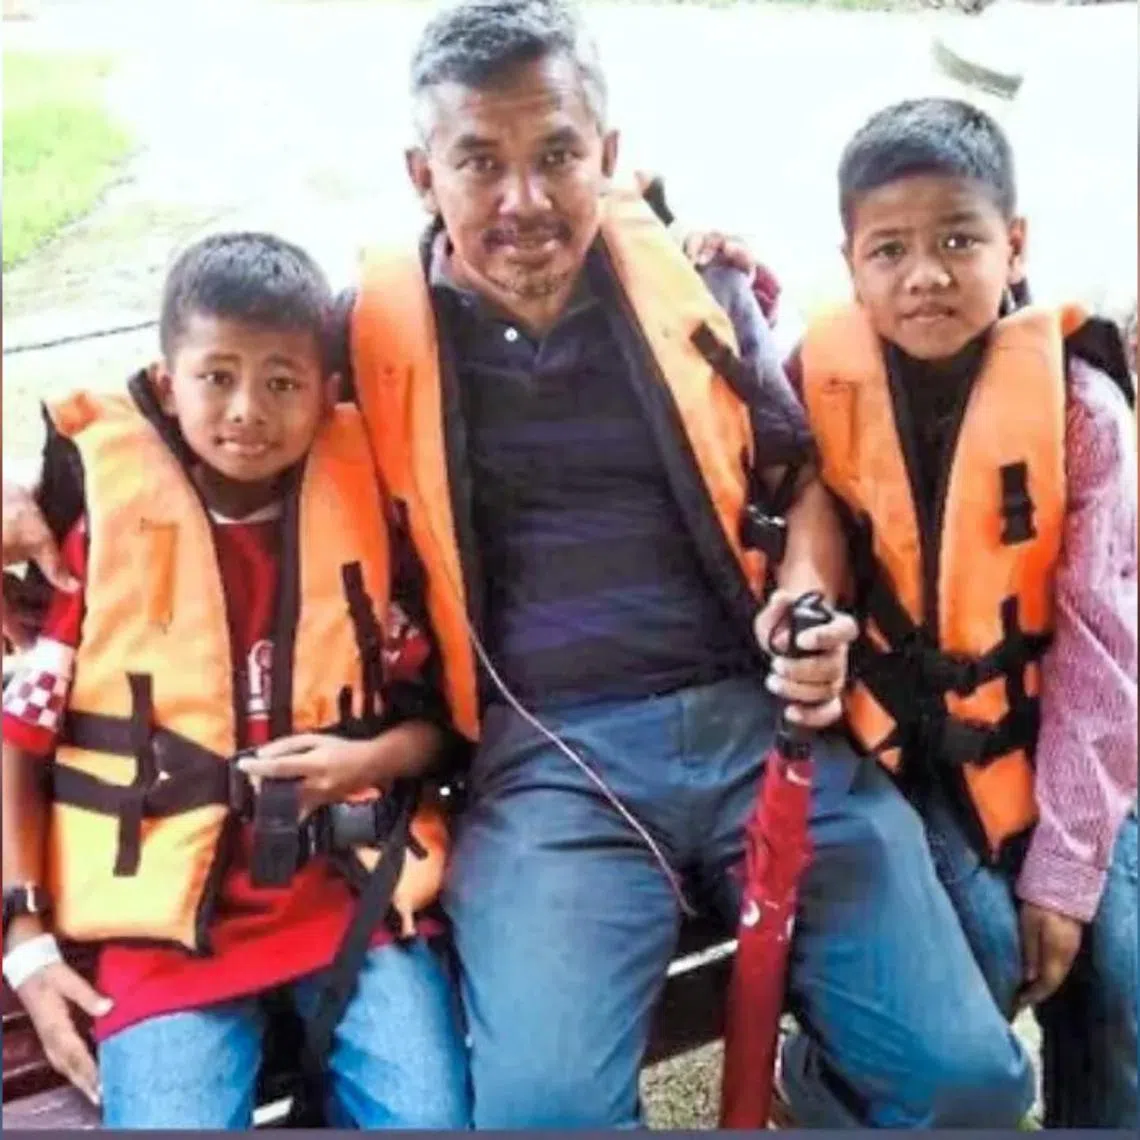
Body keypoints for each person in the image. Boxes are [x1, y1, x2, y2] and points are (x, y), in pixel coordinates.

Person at [3, 1, 1035, 1126]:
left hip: (763, 729)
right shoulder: (362, 338)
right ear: (421, 172)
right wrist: (27, 484)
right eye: (479, 163)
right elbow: (200, 396)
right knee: (545, 1116)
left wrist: (804, 606)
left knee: (970, 1085)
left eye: (556, 157)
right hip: (549, 775)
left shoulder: (702, 294)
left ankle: (820, 1087)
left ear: (609, 156)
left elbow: (798, 485)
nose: (524, 202)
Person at [0, 233, 470, 1130]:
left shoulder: (367, 500)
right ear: (167, 381)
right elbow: (18, 738)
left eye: (283, 382)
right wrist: (25, 939)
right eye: (216, 376)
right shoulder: (101, 533)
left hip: (350, 904)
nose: (248, 409)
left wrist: (361, 757)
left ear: (327, 390)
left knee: (430, 1118)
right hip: (161, 931)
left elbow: (440, 720)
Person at [789, 97, 1137, 1127]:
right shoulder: (818, 378)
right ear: (851, 265)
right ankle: (825, 1090)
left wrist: (1066, 875)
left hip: (1063, 744)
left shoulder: (1084, 413)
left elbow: (1105, 654)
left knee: (1120, 963)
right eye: (888, 250)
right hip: (908, 763)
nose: (926, 274)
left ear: (1014, 243)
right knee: (984, 949)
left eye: (958, 240)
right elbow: (722, 387)